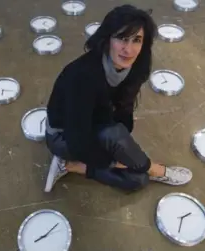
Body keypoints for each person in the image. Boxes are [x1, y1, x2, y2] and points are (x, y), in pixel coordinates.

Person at [44, 4, 192, 193]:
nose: (128, 50)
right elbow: (77, 137)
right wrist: (113, 160)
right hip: (64, 136)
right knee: (121, 143)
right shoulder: (83, 76)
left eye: (136, 40)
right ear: (107, 39)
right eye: (122, 38)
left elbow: (124, 108)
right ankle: (157, 170)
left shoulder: (135, 67)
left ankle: (72, 166)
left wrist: (122, 148)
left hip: (96, 123)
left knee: (138, 180)